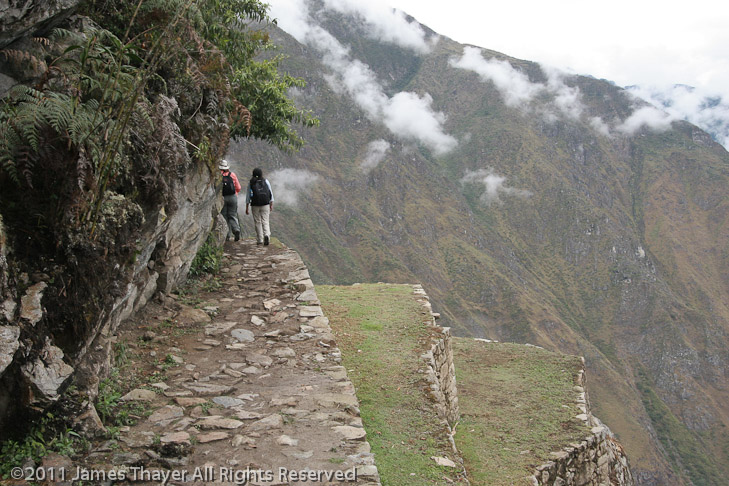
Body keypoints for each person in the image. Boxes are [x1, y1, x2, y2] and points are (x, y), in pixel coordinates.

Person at [245, 167, 274, 245]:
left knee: (257, 222)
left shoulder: (251, 183)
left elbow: (248, 196)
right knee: (265, 221)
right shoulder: (266, 181)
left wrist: (247, 207)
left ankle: (260, 239)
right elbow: (270, 193)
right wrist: (271, 204)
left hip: (255, 204)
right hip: (265, 204)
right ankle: (267, 235)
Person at [219, 159, 241, 241]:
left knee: (224, 216)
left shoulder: (218, 176)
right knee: (232, 215)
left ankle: (227, 235)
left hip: (222, 198)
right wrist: (235, 194)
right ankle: (236, 229)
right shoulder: (232, 175)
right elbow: (238, 187)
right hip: (232, 197)